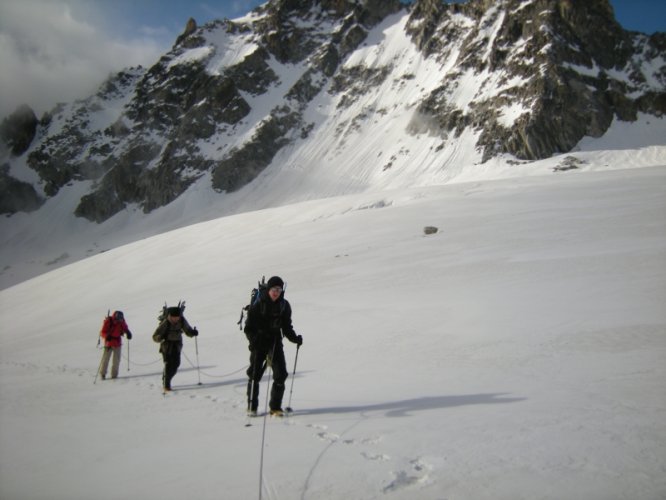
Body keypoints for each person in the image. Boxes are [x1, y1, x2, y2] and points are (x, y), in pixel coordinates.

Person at [244, 276, 302, 416]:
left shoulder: (284, 305)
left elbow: (286, 327)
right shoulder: (258, 304)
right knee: (254, 374)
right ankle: (252, 407)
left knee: (280, 374)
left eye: (279, 289)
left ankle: (275, 408)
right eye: (274, 289)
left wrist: (295, 338)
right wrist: (254, 340)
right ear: (269, 289)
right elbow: (248, 328)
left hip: (275, 342)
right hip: (259, 343)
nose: (276, 292)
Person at [152, 306, 199, 391]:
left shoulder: (182, 320)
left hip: (177, 345)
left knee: (176, 364)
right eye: (174, 317)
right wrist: (160, 337)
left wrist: (193, 333)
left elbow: (187, 330)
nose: (176, 319)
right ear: (170, 316)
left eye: (177, 317)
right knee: (168, 364)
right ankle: (167, 385)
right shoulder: (165, 323)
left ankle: (166, 378)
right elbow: (155, 336)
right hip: (166, 346)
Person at [99, 311, 132, 380]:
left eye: (121, 319)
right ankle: (103, 374)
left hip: (117, 342)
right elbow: (102, 332)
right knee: (105, 359)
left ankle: (114, 375)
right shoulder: (109, 321)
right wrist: (106, 336)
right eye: (118, 319)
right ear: (115, 317)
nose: (119, 321)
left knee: (116, 360)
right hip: (109, 343)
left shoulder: (122, 321)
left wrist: (128, 332)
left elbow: (125, 327)